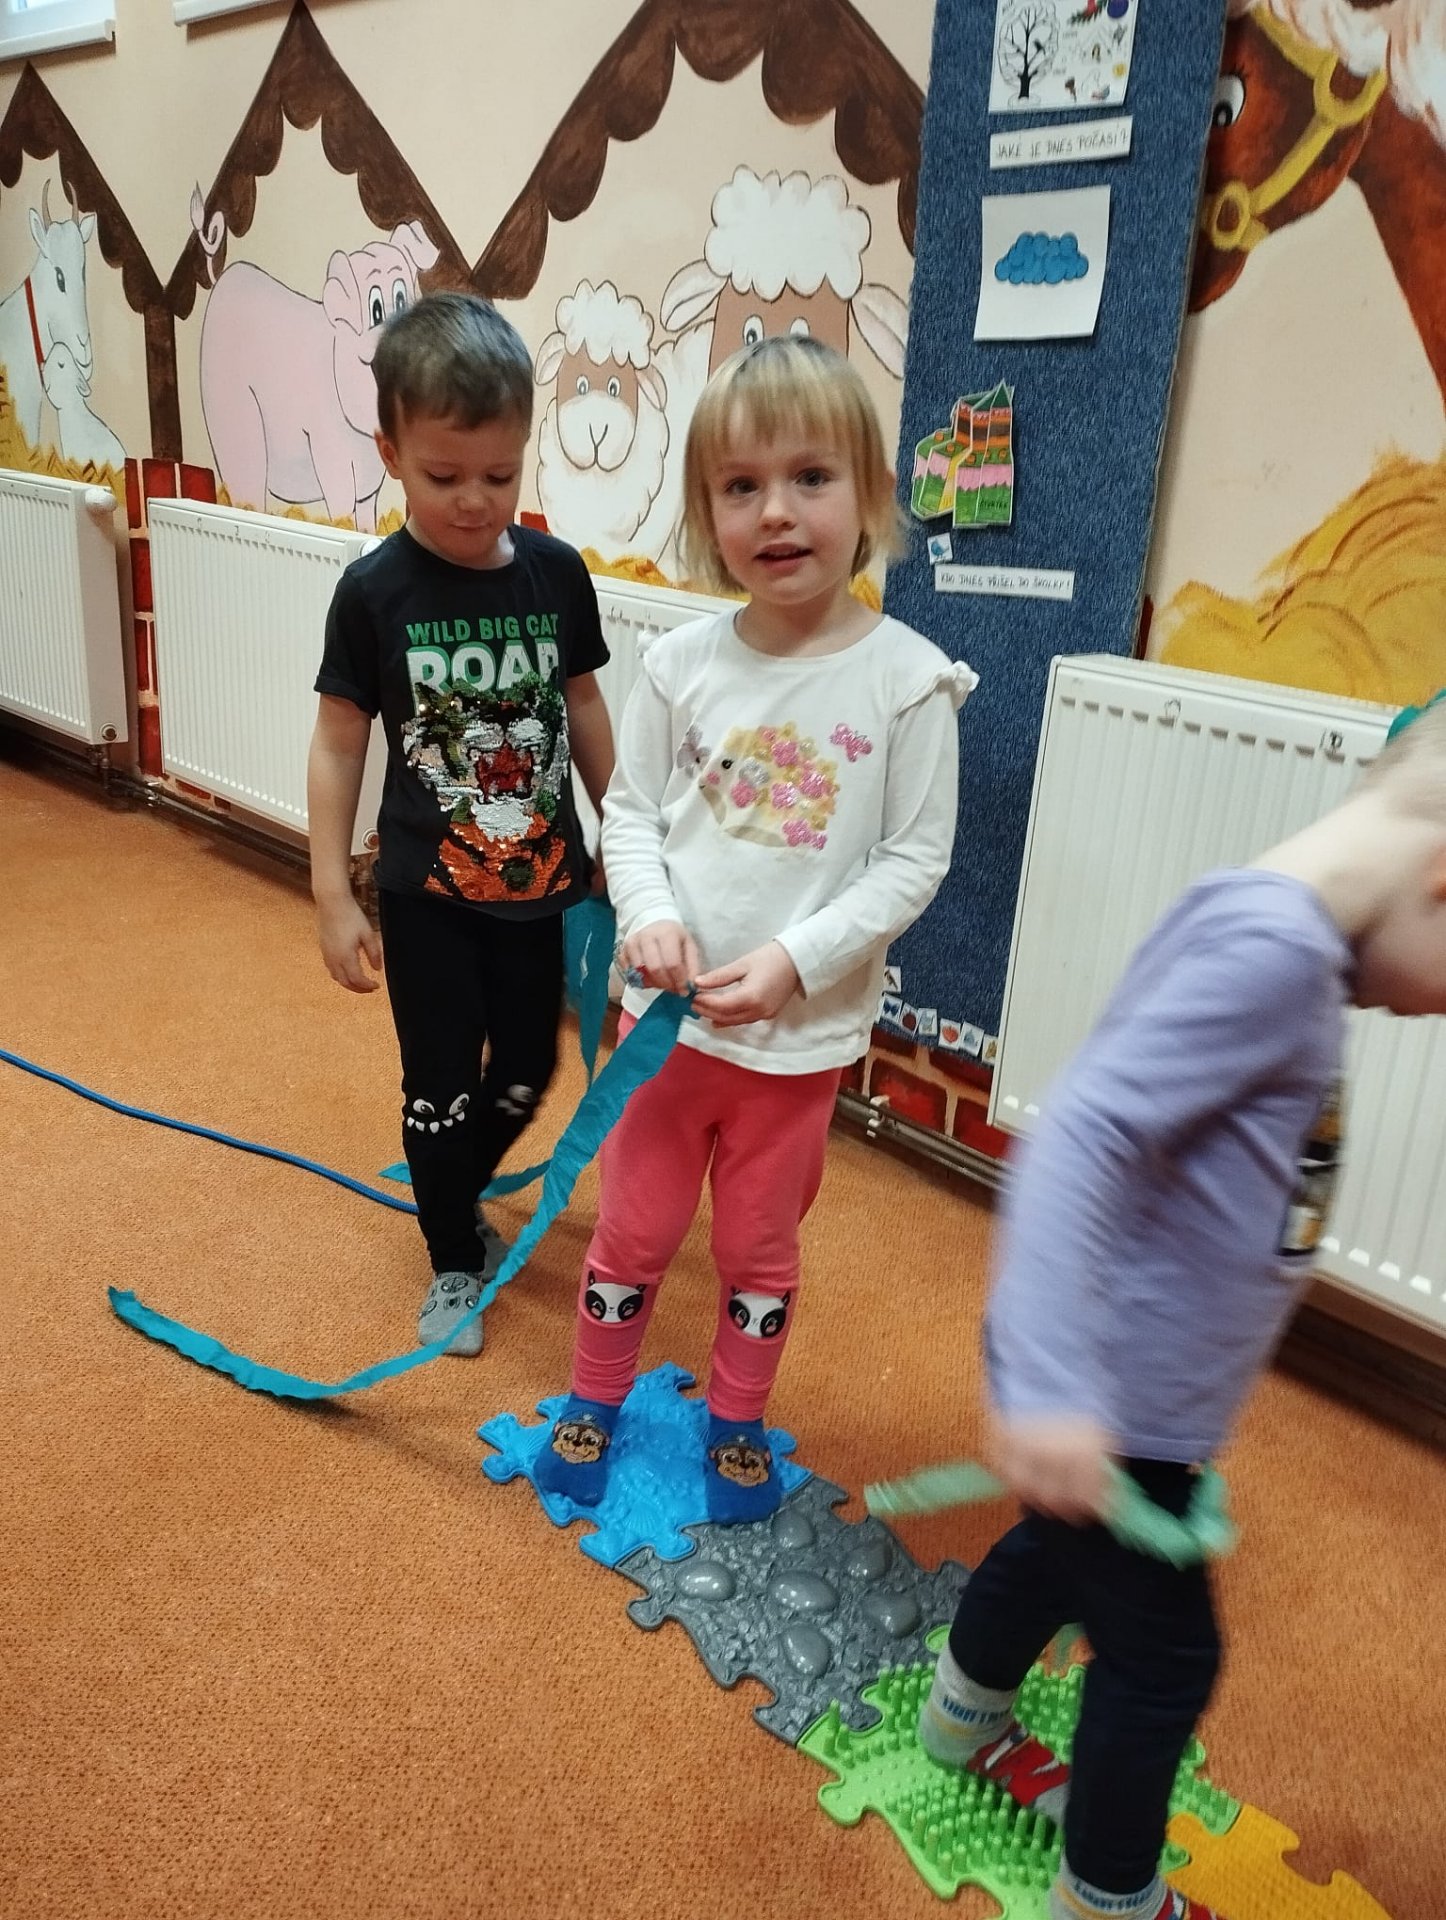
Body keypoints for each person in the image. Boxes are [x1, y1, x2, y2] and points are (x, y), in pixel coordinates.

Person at [919, 694, 1446, 1920]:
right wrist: (1051, 1384)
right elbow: (1082, 1135)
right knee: (1165, 1661)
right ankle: (1110, 1896)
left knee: (1050, 1554)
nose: (1433, 1012)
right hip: (1111, 1394)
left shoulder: (1284, 942)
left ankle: (962, 1721)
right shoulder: (1276, 956)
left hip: (1131, 1393)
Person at [532, 334, 977, 1521]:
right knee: (631, 1233)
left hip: (796, 1048)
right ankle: (593, 1398)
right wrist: (650, 915)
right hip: (663, 1031)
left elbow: (914, 860)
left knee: (759, 1252)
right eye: (741, 486)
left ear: (868, 493)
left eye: (810, 477)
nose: (776, 512)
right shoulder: (680, 664)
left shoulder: (912, 681)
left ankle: (736, 1419)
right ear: (707, 514)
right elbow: (632, 814)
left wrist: (796, 962)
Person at [306, 293, 615, 1355]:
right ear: (392, 453)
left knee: (527, 1071)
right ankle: (450, 1252)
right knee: (438, 1086)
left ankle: (451, 1187)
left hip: (541, 888)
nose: (476, 501)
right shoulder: (373, 592)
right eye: (445, 477)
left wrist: (626, 835)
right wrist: (330, 889)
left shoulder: (556, 576)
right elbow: (339, 743)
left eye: (501, 474)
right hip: (426, 895)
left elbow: (582, 707)